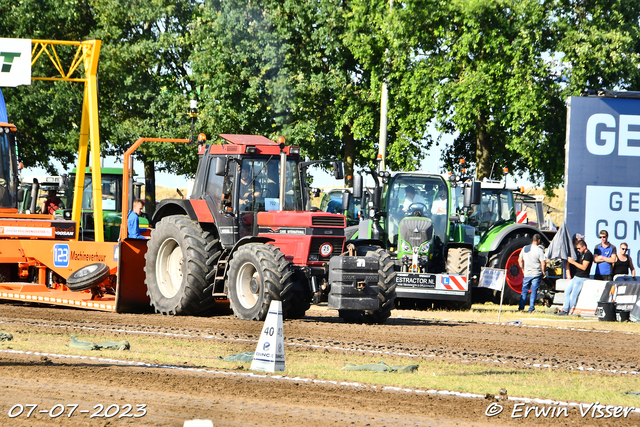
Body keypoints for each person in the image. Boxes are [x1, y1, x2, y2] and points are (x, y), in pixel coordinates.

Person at [557, 239, 593, 315]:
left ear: (584, 247)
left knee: (573, 295)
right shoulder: (582, 254)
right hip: (576, 276)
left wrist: (573, 262)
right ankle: (565, 309)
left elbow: (584, 267)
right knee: (567, 292)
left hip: (582, 277)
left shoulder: (588, 254)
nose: (578, 250)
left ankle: (567, 311)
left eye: (579, 248)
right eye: (577, 249)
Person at [518, 234, 546, 313]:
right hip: (536, 274)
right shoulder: (539, 250)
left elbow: (519, 260)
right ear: (539, 240)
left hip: (527, 273)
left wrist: (523, 269)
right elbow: (543, 263)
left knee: (524, 291)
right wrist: (543, 272)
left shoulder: (525, 248)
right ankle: (531, 308)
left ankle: (521, 308)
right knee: (534, 291)